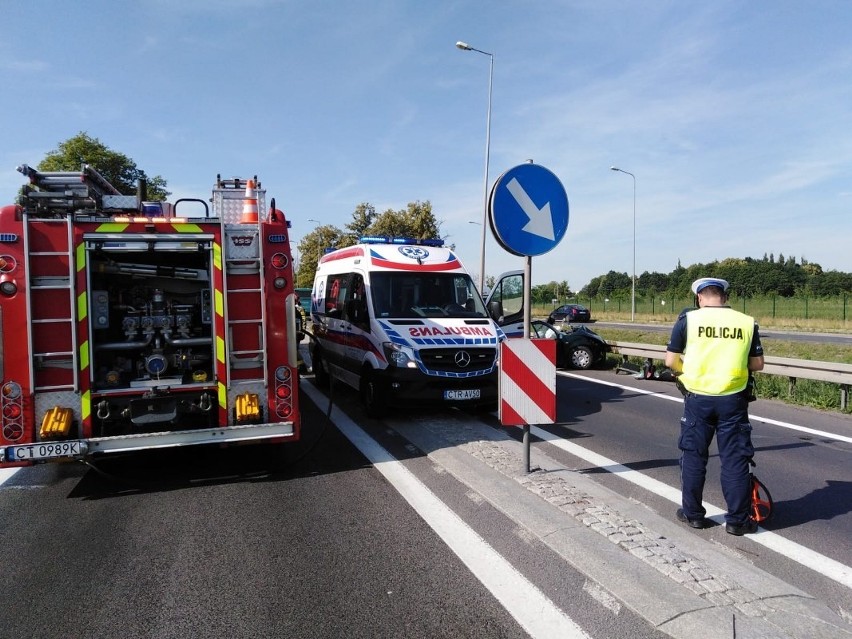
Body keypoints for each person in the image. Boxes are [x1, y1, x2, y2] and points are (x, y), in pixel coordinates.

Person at [665, 277, 765, 536]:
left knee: (694, 456)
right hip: (733, 399)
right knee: (735, 460)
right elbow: (757, 364)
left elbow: (670, 361)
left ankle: (694, 515)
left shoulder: (688, 320)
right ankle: (737, 521)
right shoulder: (746, 322)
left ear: (699, 298)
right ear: (725, 297)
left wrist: (683, 373)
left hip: (698, 398)